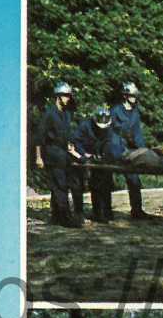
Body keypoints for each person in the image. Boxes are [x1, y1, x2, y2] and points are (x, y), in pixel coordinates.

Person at [109, 82, 156, 221]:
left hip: (130, 151)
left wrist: (143, 150)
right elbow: (109, 131)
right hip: (116, 148)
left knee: (134, 180)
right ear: (125, 96)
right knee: (106, 180)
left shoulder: (135, 113)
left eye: (135, 96)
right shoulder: (115, 111)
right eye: (131, 95)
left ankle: (137, 210)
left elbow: (137, 134)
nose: (134, 98)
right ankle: (104, 211)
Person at [39, 82, 83, 227]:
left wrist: (70, 145)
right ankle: (65, 218)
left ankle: (56, 216)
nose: (68, 98)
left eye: (69, 96)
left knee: (59, 186)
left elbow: (66, 134)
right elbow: (40, 137)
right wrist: (39, 157)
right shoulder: (49, 114)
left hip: (64, 154)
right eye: (65, 96)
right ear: (58, 96)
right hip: (52, 153)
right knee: (60, 186)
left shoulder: (66, 114)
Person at [73, 106, 122, 224]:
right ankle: (96, 212)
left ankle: (107, 212)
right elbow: (76, 141)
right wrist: (84, 153)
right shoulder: (85, 126)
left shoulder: (110, 128)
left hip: (102, 157)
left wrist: (106, 156)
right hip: (86, 155)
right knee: (94, 185)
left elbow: (111, 142)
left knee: (106, 184)